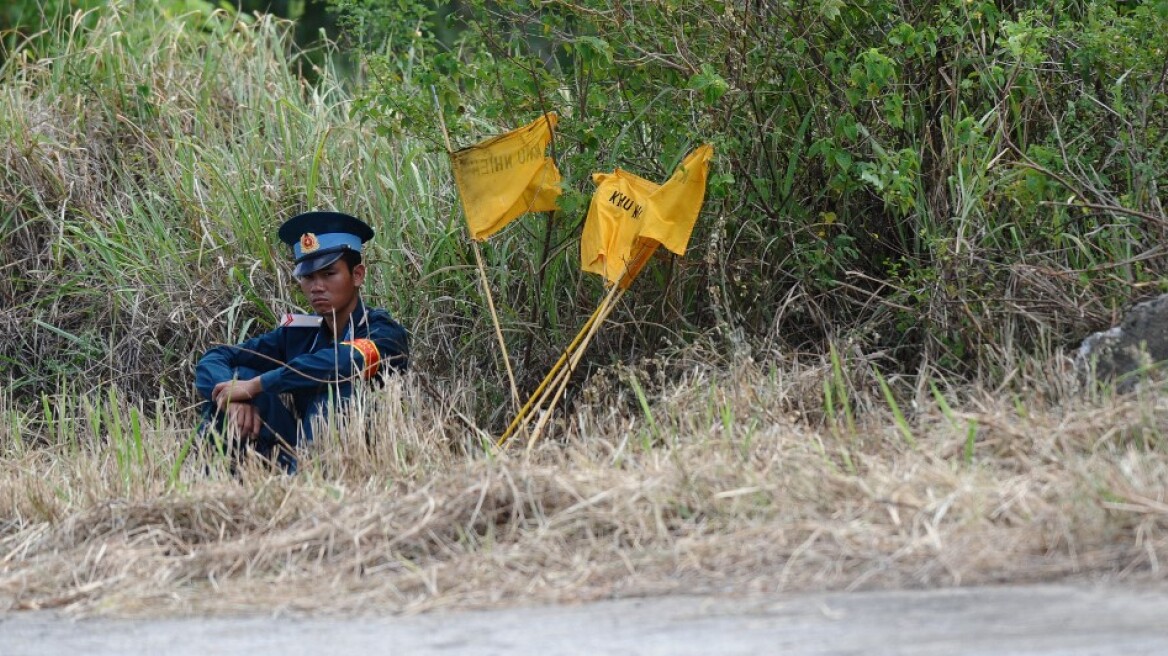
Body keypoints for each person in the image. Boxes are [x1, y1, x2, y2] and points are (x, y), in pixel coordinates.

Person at [195, 211, 409, 471]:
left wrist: (257, 385)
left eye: (329, 274)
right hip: (297, 449)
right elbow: (217, 356)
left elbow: (341, 363)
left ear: (357, 275)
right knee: (238, 376)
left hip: (362, 459)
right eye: (308, 277)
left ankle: (306, 483)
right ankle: (216, 489)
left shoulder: (383, 332)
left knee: (335, 395)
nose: (317, 286)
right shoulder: (298, 332)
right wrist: (233, 398)